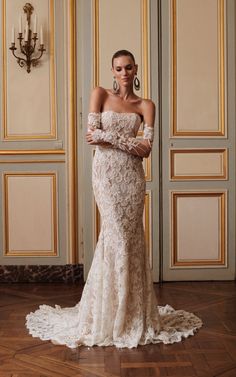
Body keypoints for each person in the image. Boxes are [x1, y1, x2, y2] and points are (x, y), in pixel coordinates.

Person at [25, 50, 202, 348]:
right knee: (115, 235)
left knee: (129, 238)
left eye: (128, 67)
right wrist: (123, 142)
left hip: (132, 179)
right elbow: (90, 134)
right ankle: (108, 313)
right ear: (113, 71)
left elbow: (146, 149)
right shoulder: (100, 94)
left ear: (135, 70)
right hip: (105, 176)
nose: (124, 73)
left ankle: (132, 312)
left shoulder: (146, 105)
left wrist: (111, 138)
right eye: (118, 68)